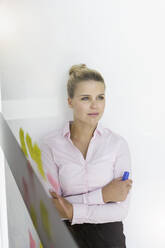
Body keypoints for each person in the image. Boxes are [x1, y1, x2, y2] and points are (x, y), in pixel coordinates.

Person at [40, 64, 133, 248]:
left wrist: (71, 209)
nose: (95, 105)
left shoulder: (117, 144)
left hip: (110, 241)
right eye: (85, 98)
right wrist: (103, 196)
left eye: (100, 97)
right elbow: (52, 207)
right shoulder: (50, 145)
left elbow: (121, 210)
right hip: (66, 239)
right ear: (70, 101)